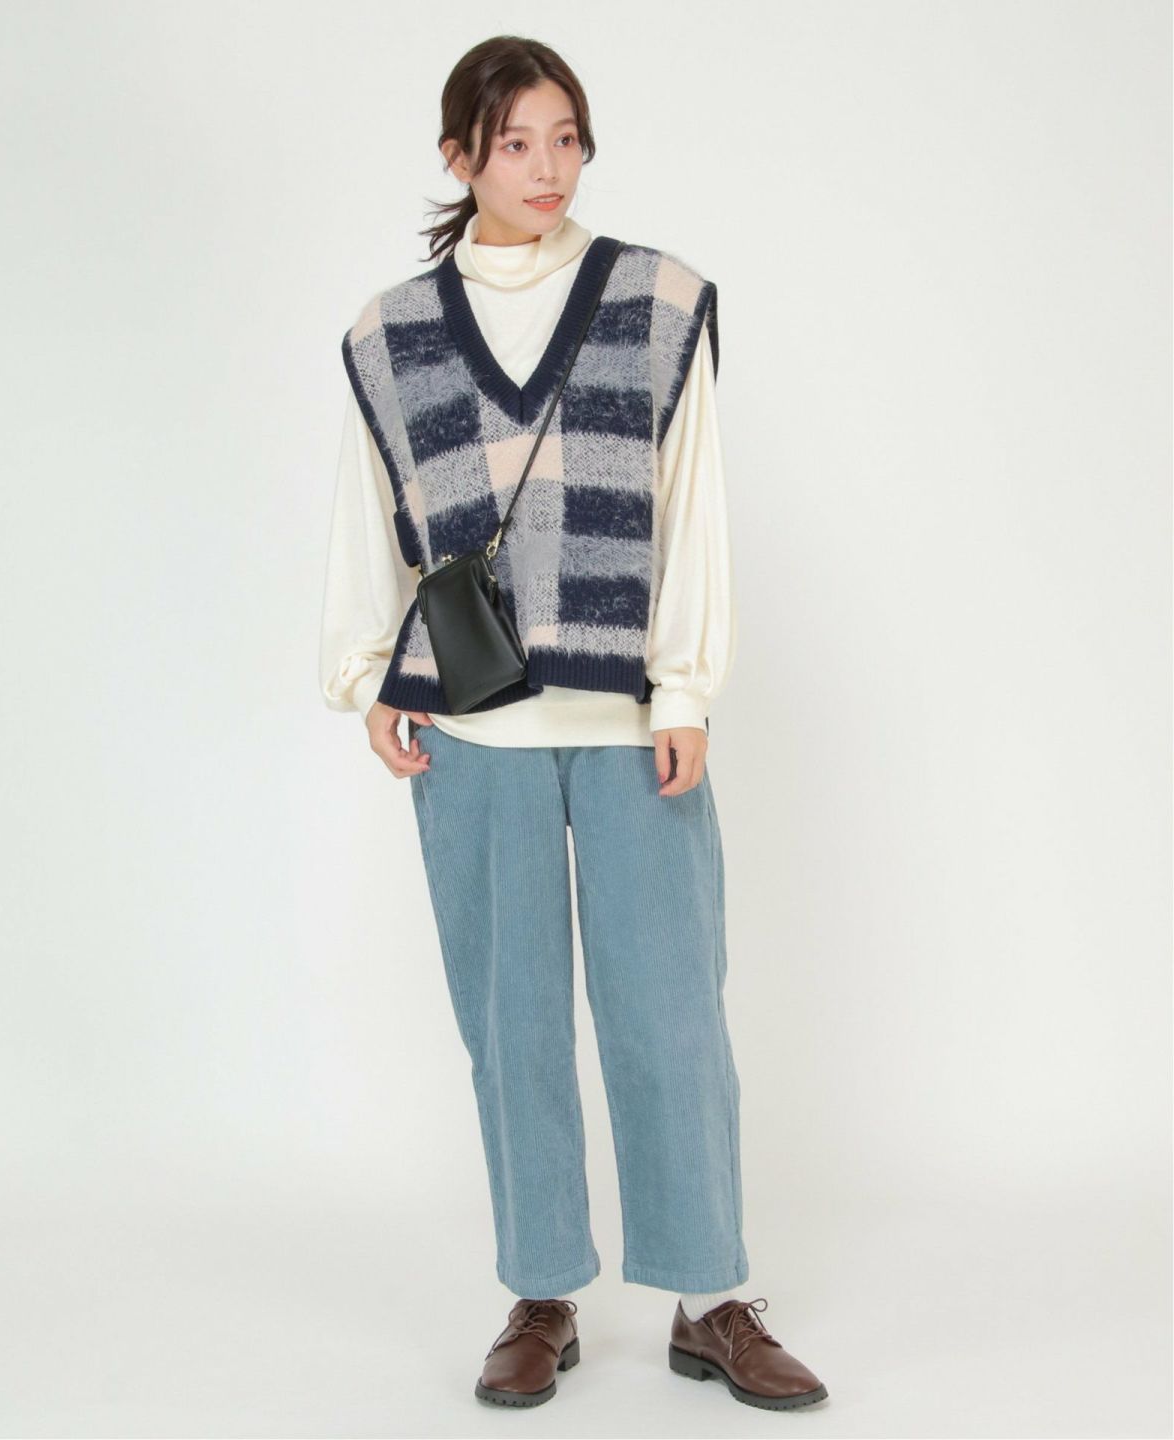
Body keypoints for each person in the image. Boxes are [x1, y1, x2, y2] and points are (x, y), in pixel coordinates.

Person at [318, 34, 828, 1413]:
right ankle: (541, 1294)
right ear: (459, 156)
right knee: (514, 1026)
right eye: (516, 143)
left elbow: (694, 499)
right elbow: (368, 513)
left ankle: (709, 1297)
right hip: (473, 733)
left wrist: (685, 685)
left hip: (625, 723)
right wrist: (369, 672)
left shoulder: (658, 300)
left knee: (672, 1012)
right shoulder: (387, 333)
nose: (548, 168)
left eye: (567, 138)